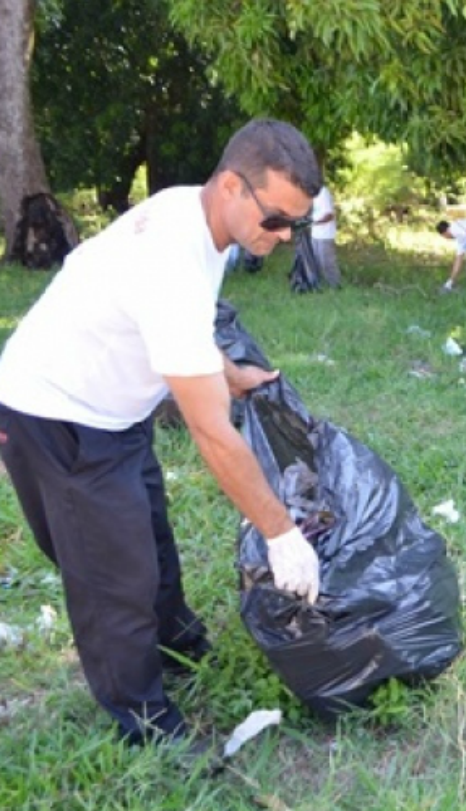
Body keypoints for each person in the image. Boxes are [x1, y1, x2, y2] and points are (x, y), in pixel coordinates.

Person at [0, 118, 324, 748]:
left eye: (296, 226)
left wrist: (227, 373)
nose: (284, 238)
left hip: (116, 410)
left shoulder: (204, 220)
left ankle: (176, 641)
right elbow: (210, 435)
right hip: (54, 414)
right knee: (110, 573)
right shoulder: (171, 259)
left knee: (149, 533)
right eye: (277, 220)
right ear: (232, 186)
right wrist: (281, 534)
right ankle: (142, 717)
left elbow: (186, 337)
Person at [310, 184, 341, 288]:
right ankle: (321, 285)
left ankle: (335, 286)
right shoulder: (312, 193)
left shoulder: (323, 192)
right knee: (316, 261)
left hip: (325, 234)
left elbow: (329, 215)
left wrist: (315, 223)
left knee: (327, 263)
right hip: (315, 234)